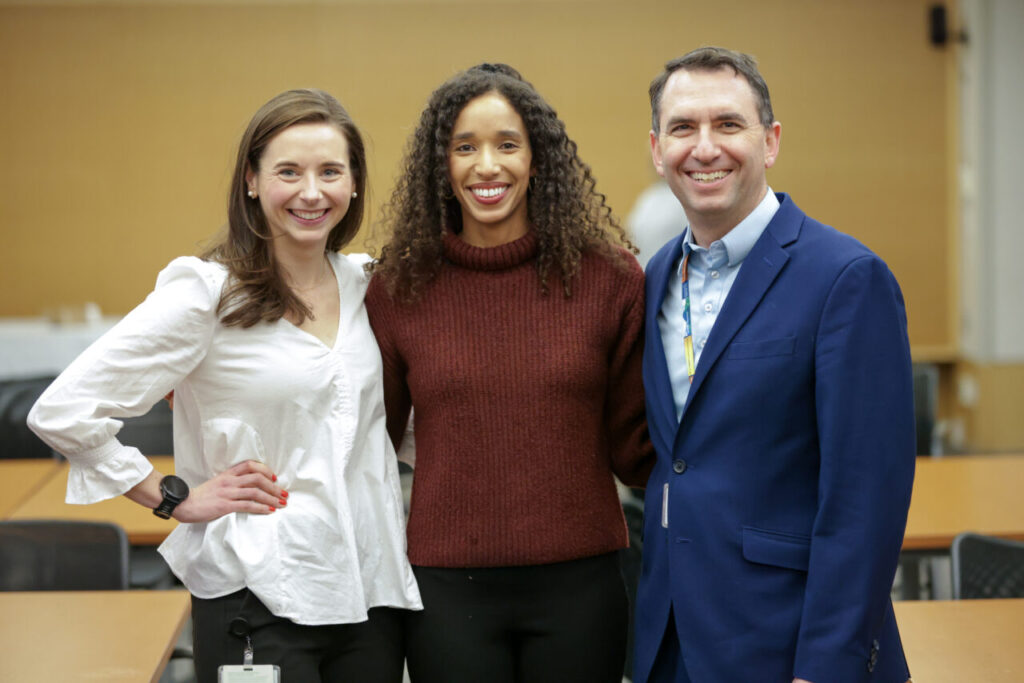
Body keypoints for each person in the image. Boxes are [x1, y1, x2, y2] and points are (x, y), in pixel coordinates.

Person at [27, 89, 421, 683]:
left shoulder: (373, 285)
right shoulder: (208, 294)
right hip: (257, 589)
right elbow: (64, 410)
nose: (311, 193)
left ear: (355, 183)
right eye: (288, 171)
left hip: (369, 590)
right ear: (253, 182)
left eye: (330, 172)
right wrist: (172, 496)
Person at [634, 47, 915, 683]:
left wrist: (826, 665)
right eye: (683, 128)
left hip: (790, 644)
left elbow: (864, 504)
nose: (705, 148)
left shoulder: (846, 278)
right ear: (657, 150)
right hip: (674, 639)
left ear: (771, 141)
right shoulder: (654, 279)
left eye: (728, 125)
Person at [366, 63, 654, 683]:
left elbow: (638, 451)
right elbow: (368, 442)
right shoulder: (397, 288)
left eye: (506, 145)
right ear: (440, 166)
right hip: (447, 591)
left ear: (537, 159)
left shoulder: (611, 279)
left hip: (583, 584)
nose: (486, 166)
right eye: (464, 147)